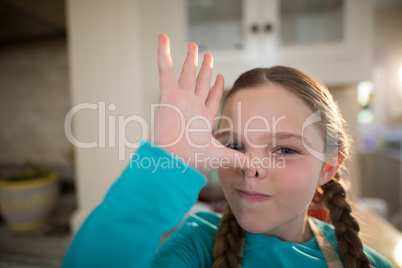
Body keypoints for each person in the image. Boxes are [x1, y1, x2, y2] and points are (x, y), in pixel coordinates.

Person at [62, 34, 392, 268]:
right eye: (234, 145)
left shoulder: (368, 262)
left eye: (285, 150)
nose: (251, 166)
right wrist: (167, 162)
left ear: (328, 168)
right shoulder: (197, 245)